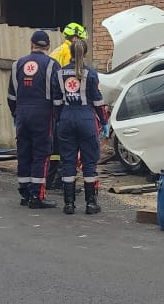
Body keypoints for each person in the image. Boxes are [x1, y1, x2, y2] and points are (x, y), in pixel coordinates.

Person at [53, 40, 110, 215]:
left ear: (69, 53)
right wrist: (104, 122)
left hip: (66, 118)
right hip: (86, 119)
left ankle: (68, 204)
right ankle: (90, 203)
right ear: (84, 54)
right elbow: (98, 102)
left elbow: (56, 102)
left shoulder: (60, 73)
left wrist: (59, 119)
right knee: (89, 162)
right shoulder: (91, 74)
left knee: (68, 161)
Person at [7, 31, 61, 209]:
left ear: (31, 44)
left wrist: (16, 114)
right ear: (48, 46)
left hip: (22, 113)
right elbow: (58, 96)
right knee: (41, 155)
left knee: (24, 153)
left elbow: (11, 96)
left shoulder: (17, 65)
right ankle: (37, 195)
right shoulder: (53, 65)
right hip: (43, 115)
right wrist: (57, 117)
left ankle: (25, 193)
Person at [47, 22, 88, 190]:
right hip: (67, 106)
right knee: (66, 146)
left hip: (55, 104)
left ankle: (54, 178)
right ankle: (61, 179)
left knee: (57, 146)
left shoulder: (58, 50)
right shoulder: (66, 52)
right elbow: (68, 78)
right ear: (76, 38)